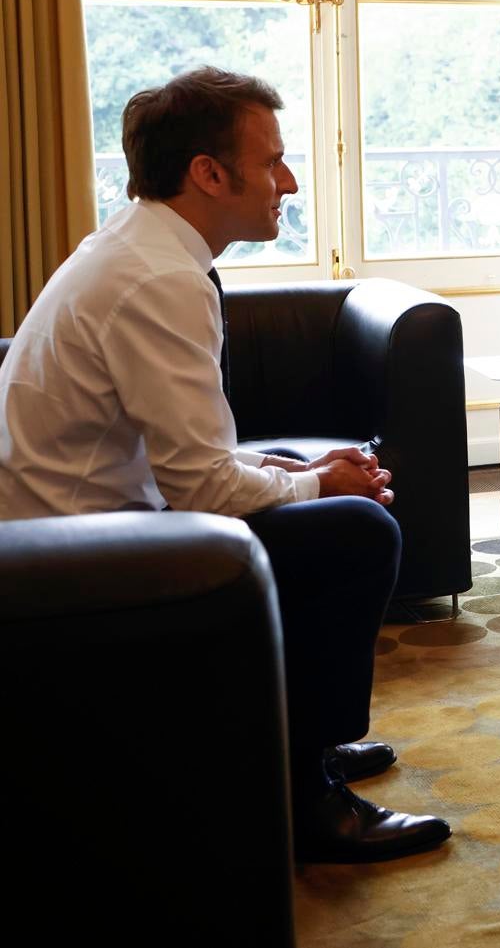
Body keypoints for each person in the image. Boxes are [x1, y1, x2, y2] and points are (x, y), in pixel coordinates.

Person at [0, 66, 451, 863]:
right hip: (69, 560)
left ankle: (293, 741)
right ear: (208, 174)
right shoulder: (159, 277)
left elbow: (176, 449)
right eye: (272, 160)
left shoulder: (137, 246)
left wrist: (275, 465)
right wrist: (317, 481)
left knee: (331, 508)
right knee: (357, 529)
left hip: (71, 524)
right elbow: (202, 486)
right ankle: (304, 798)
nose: (290, 180)